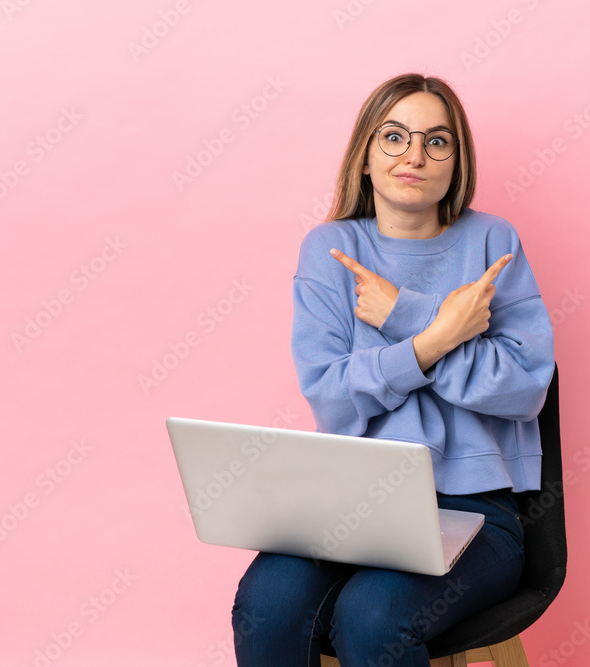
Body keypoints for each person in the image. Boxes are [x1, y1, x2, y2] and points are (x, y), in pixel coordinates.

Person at [231, 73, 555, 667]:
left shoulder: (492, 240)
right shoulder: (329, 251)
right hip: (348, 504)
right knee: (268, 602)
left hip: (475, 512)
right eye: (394, 136)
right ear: (364, 155)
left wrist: (403, 315)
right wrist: (436, 336)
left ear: (457, 162)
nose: (414, 155)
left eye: (437, 141)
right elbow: (331, 395)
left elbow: (525, 386)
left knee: (374, 614)